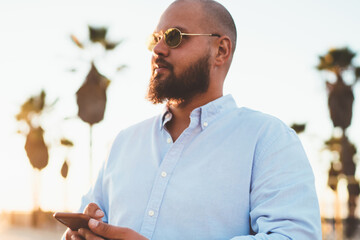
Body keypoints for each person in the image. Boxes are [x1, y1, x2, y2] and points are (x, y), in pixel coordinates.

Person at [64, 0, 322, 239]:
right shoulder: (123, 142)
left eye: (174, 37)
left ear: (221, 50)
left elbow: (293, 235)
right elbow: (92, 219)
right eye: (155, 38)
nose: (158, 49)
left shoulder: (267, 139)